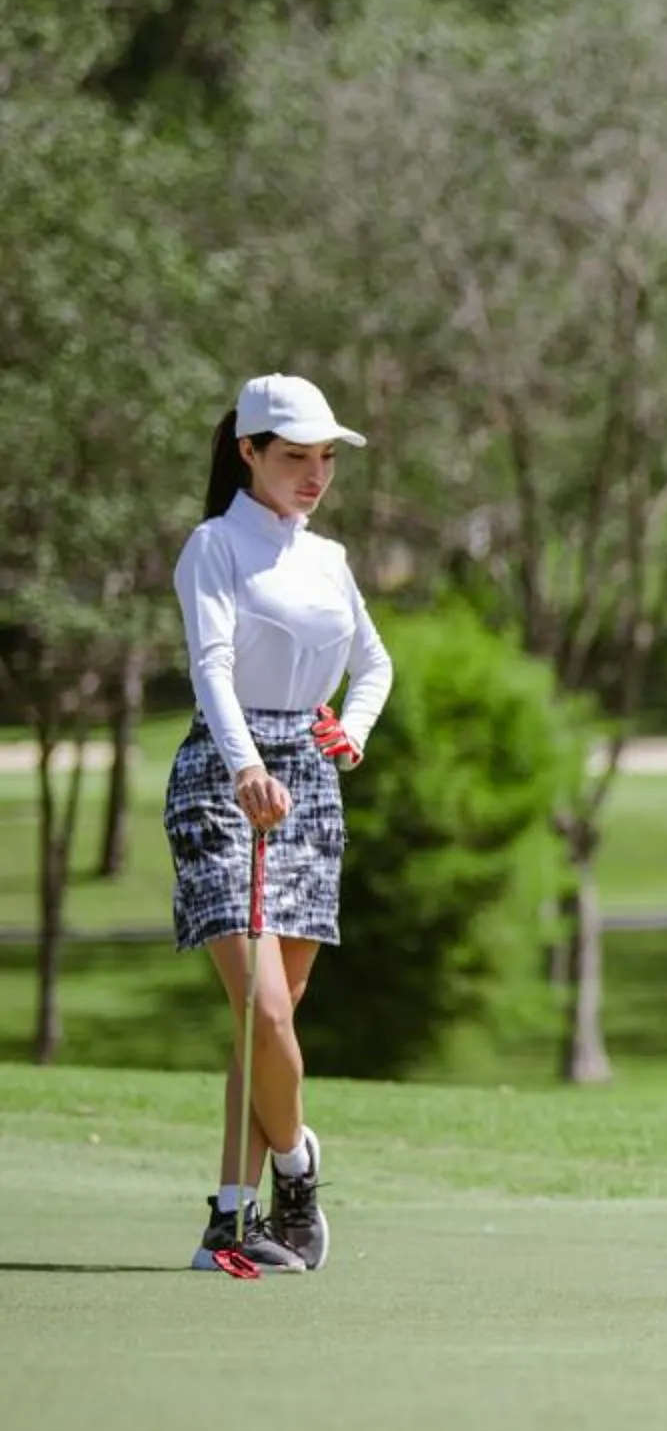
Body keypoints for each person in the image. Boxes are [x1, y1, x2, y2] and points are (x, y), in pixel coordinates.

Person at [166, 374, 393, 1275]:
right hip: (226, 779)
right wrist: (245, 765)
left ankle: (236, 1218)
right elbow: (212, 668)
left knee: (272, 1022)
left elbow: (373, 667)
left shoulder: (328, 559)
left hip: (309, 781)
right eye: (295, 456)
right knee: (260, 1007)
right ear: (249, 452)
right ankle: (295, 1168)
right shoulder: (212, 547)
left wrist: (352, 732)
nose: (314, 475)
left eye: (326, 458)